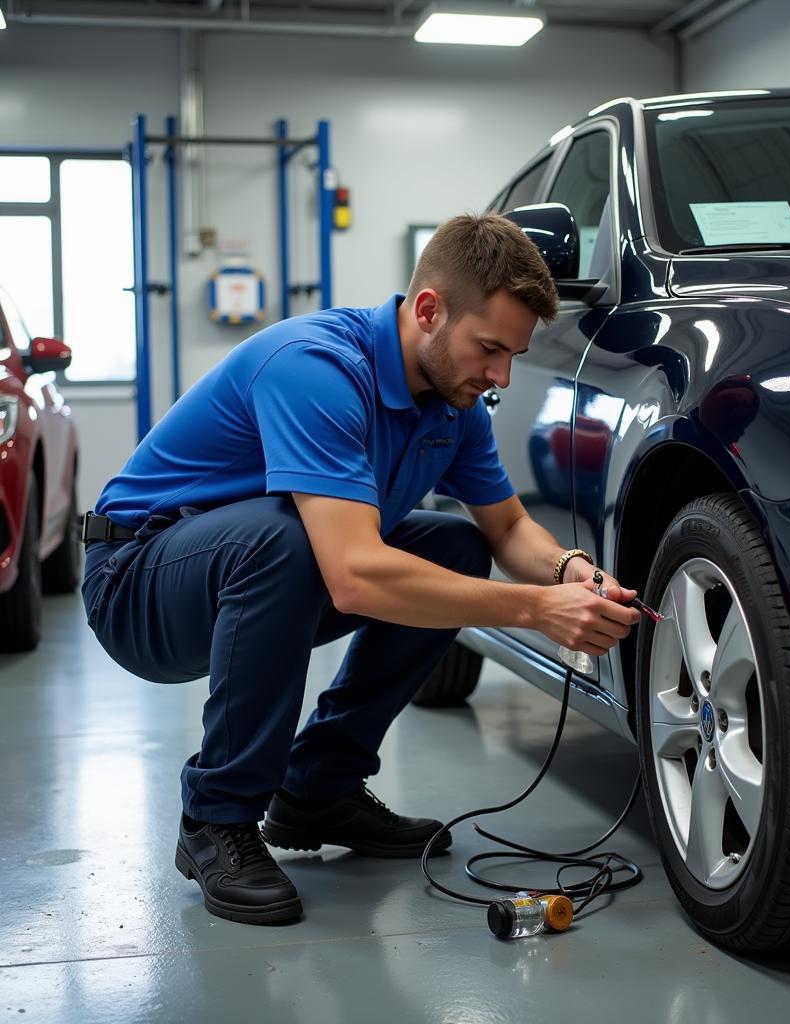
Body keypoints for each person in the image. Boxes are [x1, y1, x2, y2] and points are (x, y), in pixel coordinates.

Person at [81, 213, 641, 926]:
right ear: (430, 310)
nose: (500, 375)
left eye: (512, 357)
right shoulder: (317, 369)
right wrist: (532, 610)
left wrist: (567, 570)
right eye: (491, 349)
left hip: (256, 571)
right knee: (280, 538)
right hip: (138, 582)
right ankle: (214, 819)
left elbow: (504, 528)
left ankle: (318, 787)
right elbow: (352, 575)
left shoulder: (455, 399)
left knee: (455, 547)